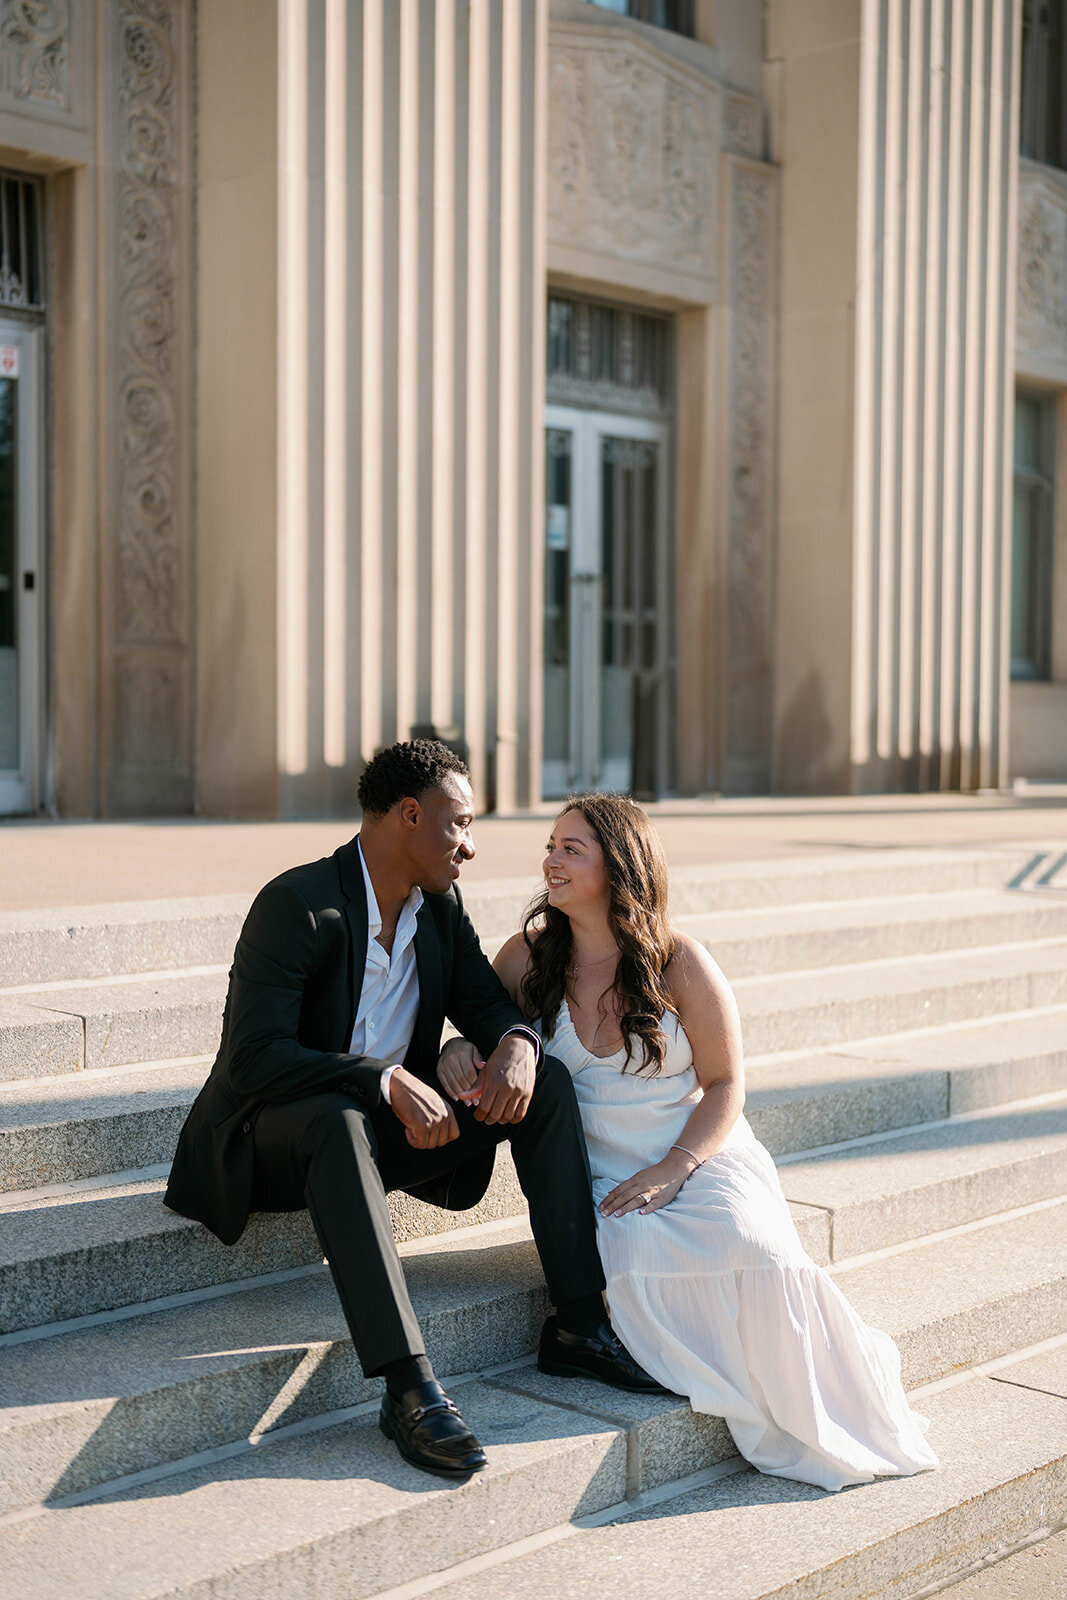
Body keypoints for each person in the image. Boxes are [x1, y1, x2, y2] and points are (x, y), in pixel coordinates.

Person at [165, 743, 662, 1482]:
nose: (470, 844)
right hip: (272, 1142)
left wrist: (518, 1042)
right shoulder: (297, 904)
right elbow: (254, 1060)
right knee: (337, 1122)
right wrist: (383, 1079)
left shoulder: (438, 910)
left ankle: (580, 1326)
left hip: (388, 1135)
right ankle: (408, 1387)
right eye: (458, 823)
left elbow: (489, 1008)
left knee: (545, 1082)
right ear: (409, 816)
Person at [442, 792, 938, 1492]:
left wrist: (676, 1168)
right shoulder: (525, 958)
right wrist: (458, 1049)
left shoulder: (680, 962)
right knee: (631, 1246)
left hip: (697, 1151)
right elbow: (487, 1027)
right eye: (550, 846)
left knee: (752, 1245)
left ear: (620, 864)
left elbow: (727, 1084)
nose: (549, 860)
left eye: (570, 848)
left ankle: (807, 1402)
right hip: (598, 1170)